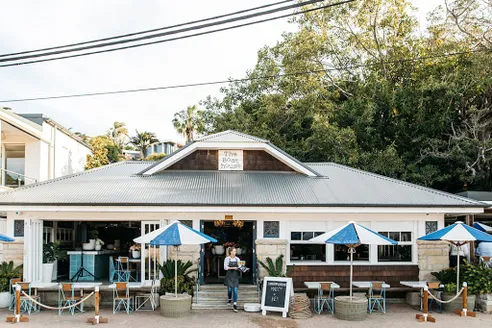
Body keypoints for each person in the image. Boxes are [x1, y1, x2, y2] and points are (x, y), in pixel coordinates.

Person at [224, 246, 242, 312]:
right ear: (231, 252)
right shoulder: (227, 259)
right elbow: (225, 267)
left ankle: (235, 304)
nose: (235, 252)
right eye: (234, 251)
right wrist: (233, 268)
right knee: (229, 290)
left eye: (235, 251)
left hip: (235, 276)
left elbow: (240, 266)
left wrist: (242, 268)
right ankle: (229, 298)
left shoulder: (237, 259)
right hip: (229, 276)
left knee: (235, 290)